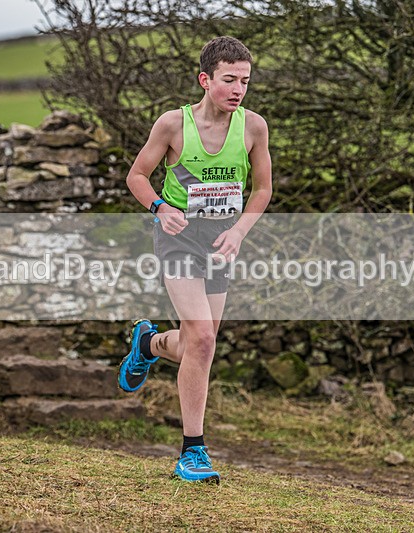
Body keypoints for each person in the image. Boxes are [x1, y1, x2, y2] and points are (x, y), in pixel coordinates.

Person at [119, 36, 272, 484]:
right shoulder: (172, 125)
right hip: (180, 237)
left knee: (194, 346)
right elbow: (138, 175)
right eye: (229, 80)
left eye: (244, 81)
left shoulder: (254, 127)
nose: (238, 89)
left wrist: (239, 232)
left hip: (222, 239)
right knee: (203, 339)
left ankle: (147, 344)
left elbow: (262, 189)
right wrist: (160, 209)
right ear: (205, 80)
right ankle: (192, 452)